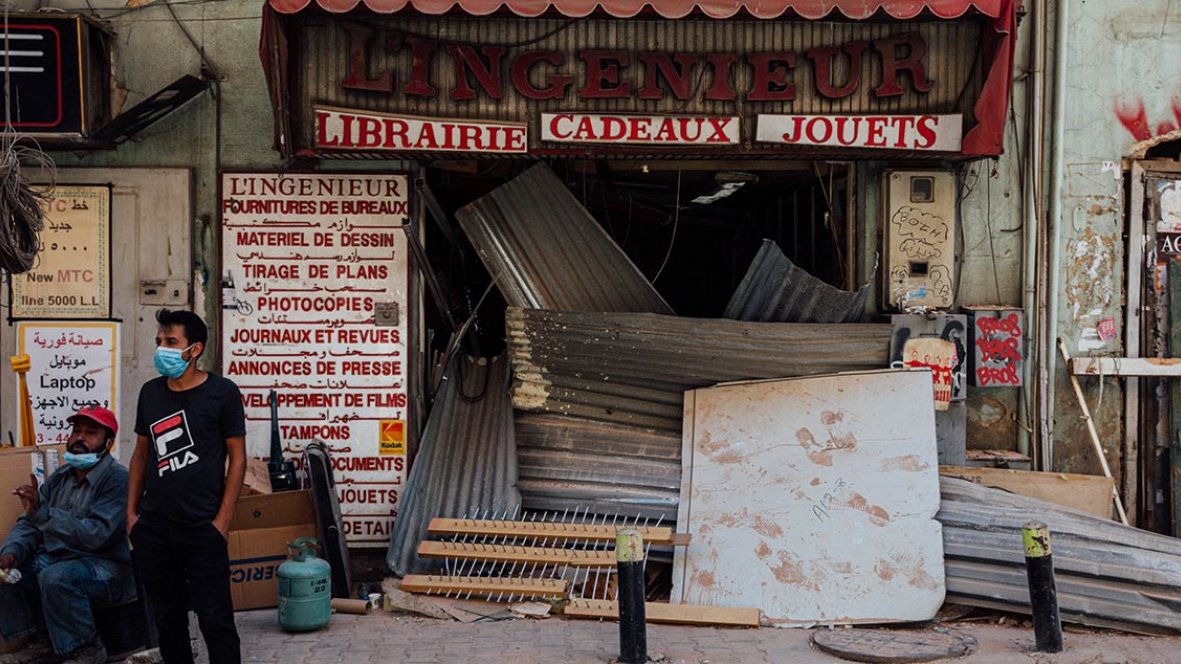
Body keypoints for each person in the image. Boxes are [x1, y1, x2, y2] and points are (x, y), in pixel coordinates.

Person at [128, 309, 246, 664]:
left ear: (195, 349)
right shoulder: (151, 394)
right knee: (168, 622)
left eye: (171, 342)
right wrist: (131, 516)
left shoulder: (222, 393)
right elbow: (141, 455)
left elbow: (237, 459)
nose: (162, 349)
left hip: (202, 528)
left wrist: (222, 521)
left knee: (216, 621)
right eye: (159, 342)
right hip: (154, 528)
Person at [0, 405, 134, 664]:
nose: (79, 438)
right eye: (76, 430)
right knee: (8, 572)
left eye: (91, 433)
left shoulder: (117, 479)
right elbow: (29, 524)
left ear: (108, 442)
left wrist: (45, 515)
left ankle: (87, 649)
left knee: (56, 577)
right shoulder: (61, 477)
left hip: (105, 567)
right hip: (59, 559)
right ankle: (40, 641)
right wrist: (10, 553)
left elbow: (96, 535)